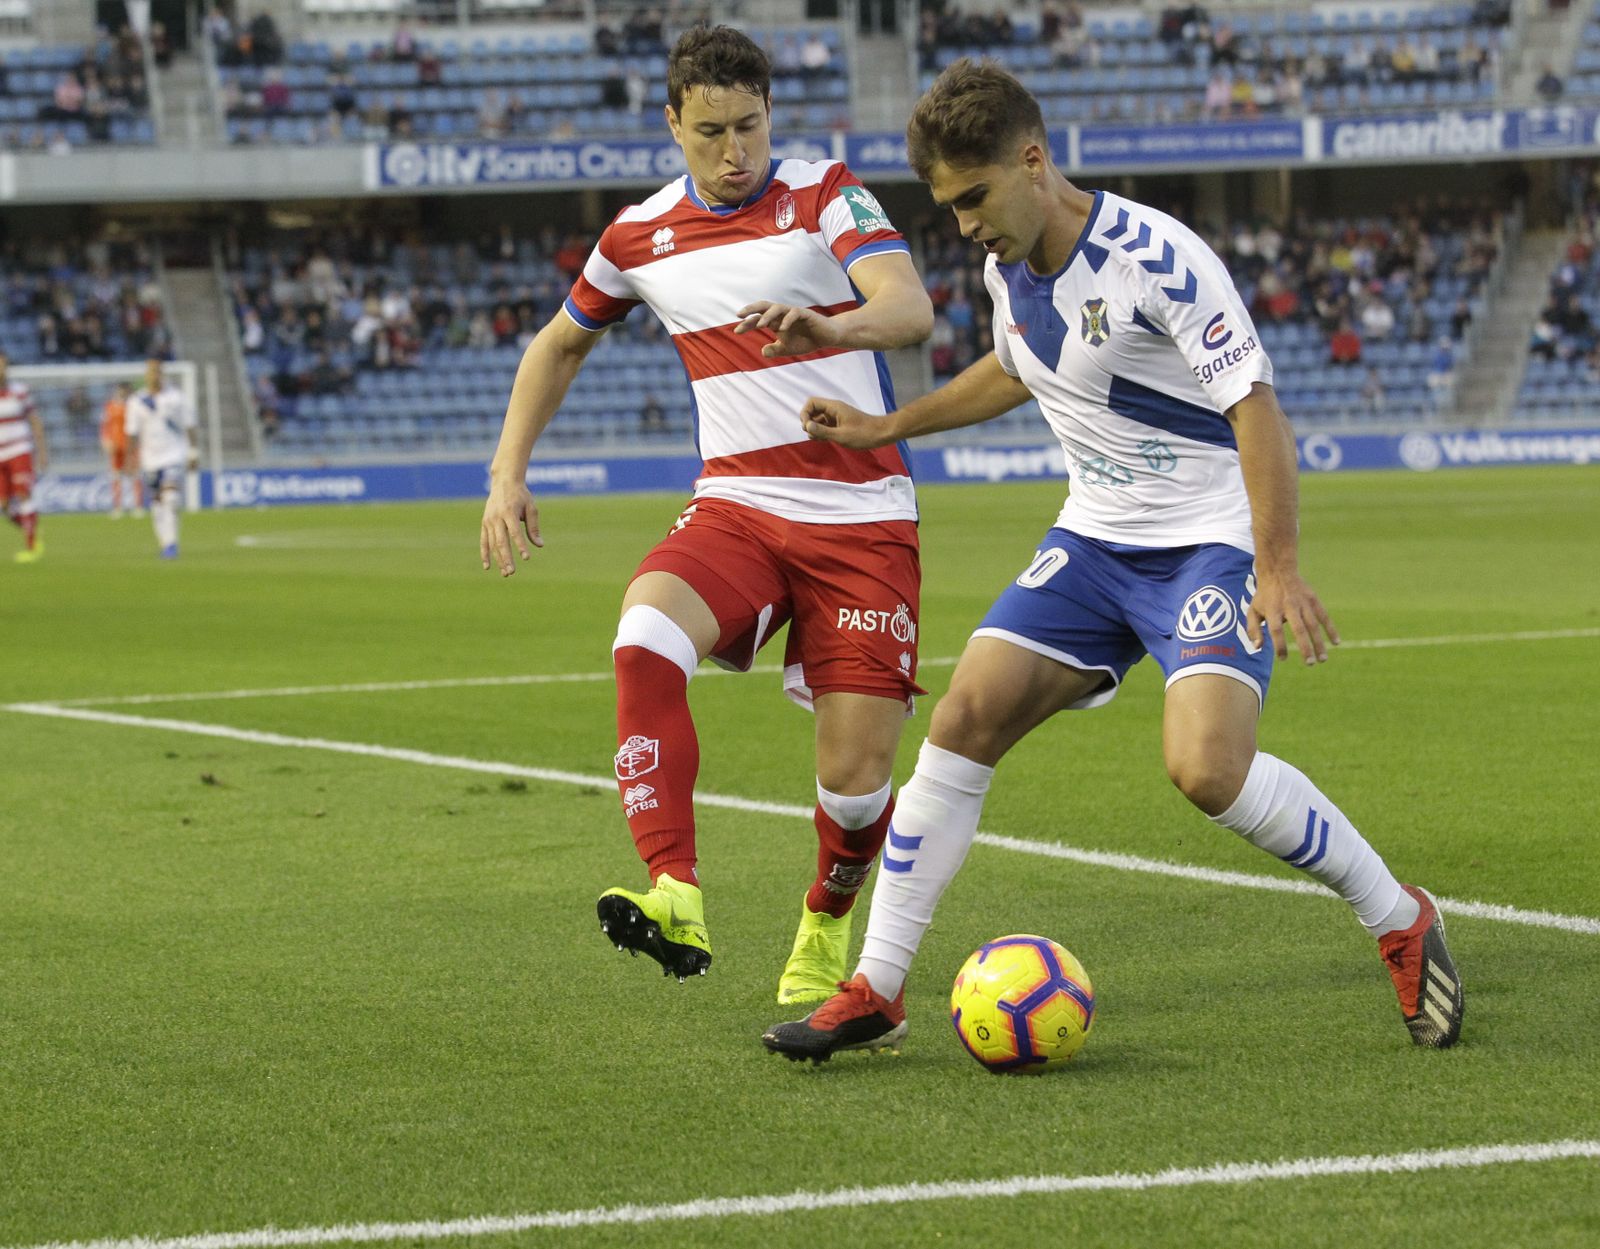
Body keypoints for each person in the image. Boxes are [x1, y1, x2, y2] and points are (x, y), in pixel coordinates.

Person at [763, 60, 1464, 1062]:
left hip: (1206, 543)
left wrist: (1275, 564)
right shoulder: (1009, 263)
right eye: (947, 206)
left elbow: (1252, 402)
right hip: (1093, 541)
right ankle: (875, 986)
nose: (962, 225)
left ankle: (1398, 916)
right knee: (960, 720)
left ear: (1032, 161)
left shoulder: (1156, 258)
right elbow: (1014, 367)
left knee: (1206, 768)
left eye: (972, 198)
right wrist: (887, 426)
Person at [479, 25, 934, 1004]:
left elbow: (909, 308)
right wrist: (506, 472)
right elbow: (556, 346)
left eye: (751, 127)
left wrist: (831, 323)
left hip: (860, 517)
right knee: (643, 632)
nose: (736, 153)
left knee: (854, 785)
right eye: (712, 133)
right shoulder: (636, 237)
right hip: (737, 503)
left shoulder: (824, 194)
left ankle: (825, 913)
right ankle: (674, 888)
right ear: (672, 123)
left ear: (772, 114)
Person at [124, 358, 197, 560]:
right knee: (157, 503)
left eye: (157, 372)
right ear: (146, 376)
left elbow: (190, 425)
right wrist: (130, 458)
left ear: (162, 374)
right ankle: (165, 542)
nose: (154, 375)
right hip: (150, 458)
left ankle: (172, 544)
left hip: (174, 454)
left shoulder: (176, 398)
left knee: (171, 498)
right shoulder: (136, 402)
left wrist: (193, 452)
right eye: (151, 372)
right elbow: (132, 433)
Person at [0, 350, 46, 563]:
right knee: (5, 507)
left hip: (20, 450)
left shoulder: (20, 391)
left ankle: (31, 545)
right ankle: (30, 530)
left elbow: (35, 421)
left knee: (24, 495)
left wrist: (42, 451)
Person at [99, 380, 143, 517]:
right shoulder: (110, 406)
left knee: (134, 474)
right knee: (116, 475)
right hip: (116, 445)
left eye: (125, 390)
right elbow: (105, 425)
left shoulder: (135, 406)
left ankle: (137, 506)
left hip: (131, 444)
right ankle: (118, 507)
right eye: (120, 390)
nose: (122, 393)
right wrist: (105, 441)